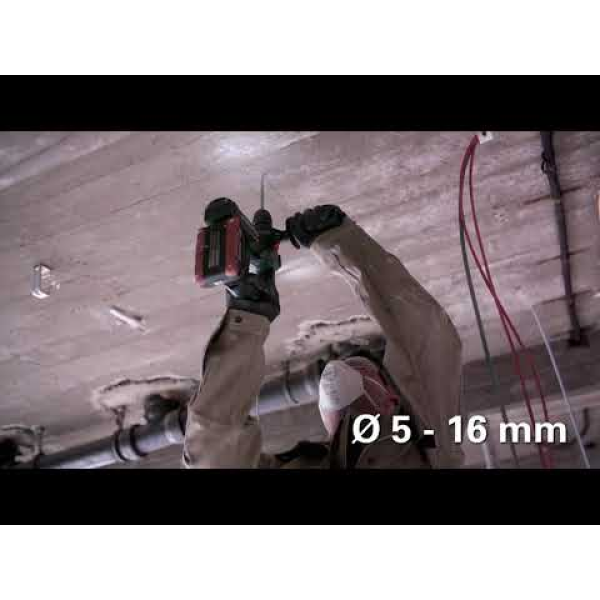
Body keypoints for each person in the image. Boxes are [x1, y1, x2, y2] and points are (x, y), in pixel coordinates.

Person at [183, 205, 463, 469]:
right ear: (392, 399)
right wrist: (339, 240)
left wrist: (246, 322)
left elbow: (211, 453)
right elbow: (426, 339)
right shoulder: (435, 449)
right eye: (370, 374)